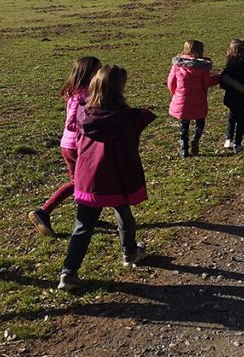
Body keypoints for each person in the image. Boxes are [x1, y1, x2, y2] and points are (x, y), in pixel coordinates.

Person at [59, 65, 155, 289]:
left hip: (88, 179)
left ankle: (68, 272)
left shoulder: (83, 113)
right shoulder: (123, 119)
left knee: (83, 226)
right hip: (113, 179)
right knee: (124, 215)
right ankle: (129, 252)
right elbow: (127, 152)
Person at [29, 56, 102, 237]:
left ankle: (86, 215)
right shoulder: (81, 96)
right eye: (97, 71)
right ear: (88, 73)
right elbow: (71, 123)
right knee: (78, 183)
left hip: (72, 144)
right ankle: (43, 211)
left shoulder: (80, 92)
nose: (100, 74)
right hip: (75, 145)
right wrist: (90, 126)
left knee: (83, 183)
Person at [167, 39, 221, 157]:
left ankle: (184, 149)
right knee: (200, 121)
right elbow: (206, 83)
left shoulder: (177, 65)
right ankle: (196, 139)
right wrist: (218, 78)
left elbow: (171, 82)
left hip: (182, 100)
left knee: (184, 125)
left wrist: (175, 93)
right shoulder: (203, 68)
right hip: (198, 100)